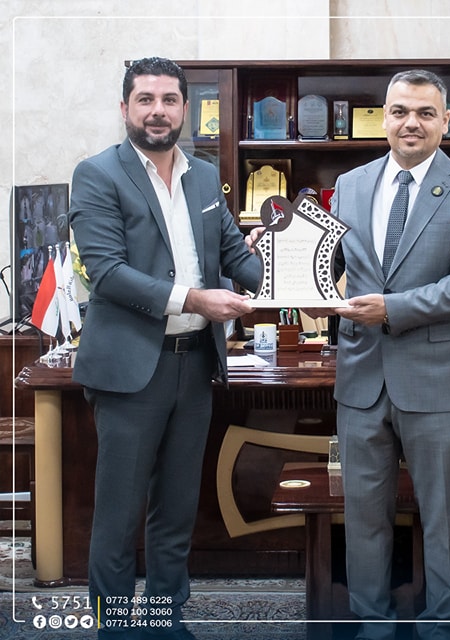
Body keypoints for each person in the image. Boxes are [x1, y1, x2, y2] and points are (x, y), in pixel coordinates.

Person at [69, 57, 263, 640]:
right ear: (125, 108)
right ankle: (115, 630)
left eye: (170, 100)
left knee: (176, 513)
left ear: (185, 109)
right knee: (119, 516)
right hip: (132, 369)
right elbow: (107, 273)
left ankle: (164, 623)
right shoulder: (97, 174)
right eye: (146, 99)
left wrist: (283, 257)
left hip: (194, 365)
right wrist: (197, 299)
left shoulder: (204, 176)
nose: (158, 111)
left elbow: (237, 257)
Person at [315, 69, 450, 640]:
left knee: (441, 518)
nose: (410, 123)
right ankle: (372, 624)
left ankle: (443, 627)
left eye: (424, 113)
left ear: (446, 121)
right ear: (384, 119)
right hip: (361, 379)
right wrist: (278, 258)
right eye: (399, 112)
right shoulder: (350, 185)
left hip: (435, 379)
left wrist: (391, 308)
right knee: (364, 517)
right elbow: (326, 265)